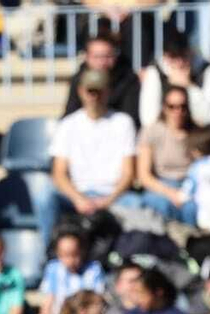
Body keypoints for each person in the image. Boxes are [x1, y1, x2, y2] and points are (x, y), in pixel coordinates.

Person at [44, 69, 140, 249]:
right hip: (77, 193)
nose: (94, 96)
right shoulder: (68, 125)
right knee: (45, 197)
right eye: (90, 91)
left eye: (99, 91)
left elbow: (128, 173)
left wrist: (108, 200)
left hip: (114, 195)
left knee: (139, 204)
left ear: (108, 92)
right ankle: (50, 251)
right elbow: (59, 173)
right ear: (81, 91)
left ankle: (128, 256)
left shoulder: (123, 122)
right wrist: (78, 199)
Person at [137, 29, 210, 128]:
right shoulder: (155, 72)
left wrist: (189, 86)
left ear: (190, 51)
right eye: (173, 57)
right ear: (165, 57)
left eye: (183, 56)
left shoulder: (209, 71)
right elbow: (148, 120)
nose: (179, 63)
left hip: (199, 134)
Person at [136, 85, 197, 224]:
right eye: (172, 106)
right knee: (161, 205)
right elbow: (144, 176)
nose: (178, 111)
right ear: (164, 108)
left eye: (182, 106)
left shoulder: (197, 133)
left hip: (190, 184)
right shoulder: (152, 131)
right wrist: (170, 193)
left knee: (192, 208)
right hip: (161, 184)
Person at [62, 31, 140, 123]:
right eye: (96, 57)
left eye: (107, 56)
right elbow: (70, 113)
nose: (102, 62)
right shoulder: (79, 79)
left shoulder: (128, 80)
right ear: (87, 57)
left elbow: (131, 116)